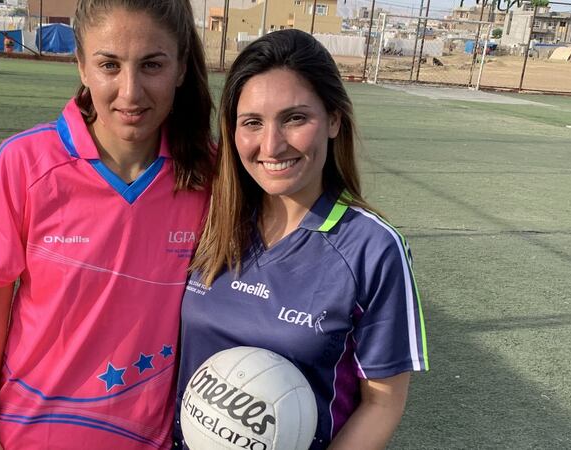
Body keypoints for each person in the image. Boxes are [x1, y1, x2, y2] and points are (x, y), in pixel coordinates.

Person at [0, 0, 213, 449]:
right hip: (30, 434)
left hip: (150, 438)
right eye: (110, 65)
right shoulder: (25, 163)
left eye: (152, 65)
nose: (130, 92)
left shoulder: (208, 173)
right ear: (82, 66)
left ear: (182, 67)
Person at [175, 29, 429, 450]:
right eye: (252, 123)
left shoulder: (371, 248)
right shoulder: (212, 218)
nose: (271, 145)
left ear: (333, 119)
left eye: (295, 118)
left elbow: (383, 404)